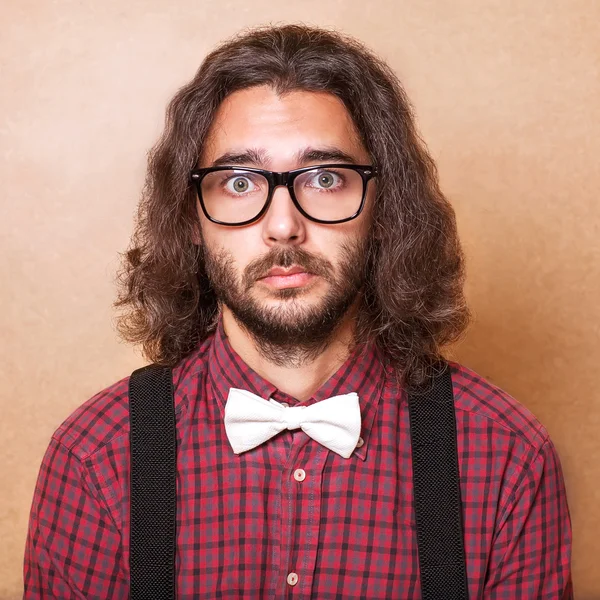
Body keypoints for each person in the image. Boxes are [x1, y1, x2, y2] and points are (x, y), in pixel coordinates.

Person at [23, 24, 573, 599]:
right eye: (239, 182)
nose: (284, 225)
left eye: (325, 178)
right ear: (190, 218)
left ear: (385, 207)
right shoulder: (94, 457)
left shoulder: (507, 456)